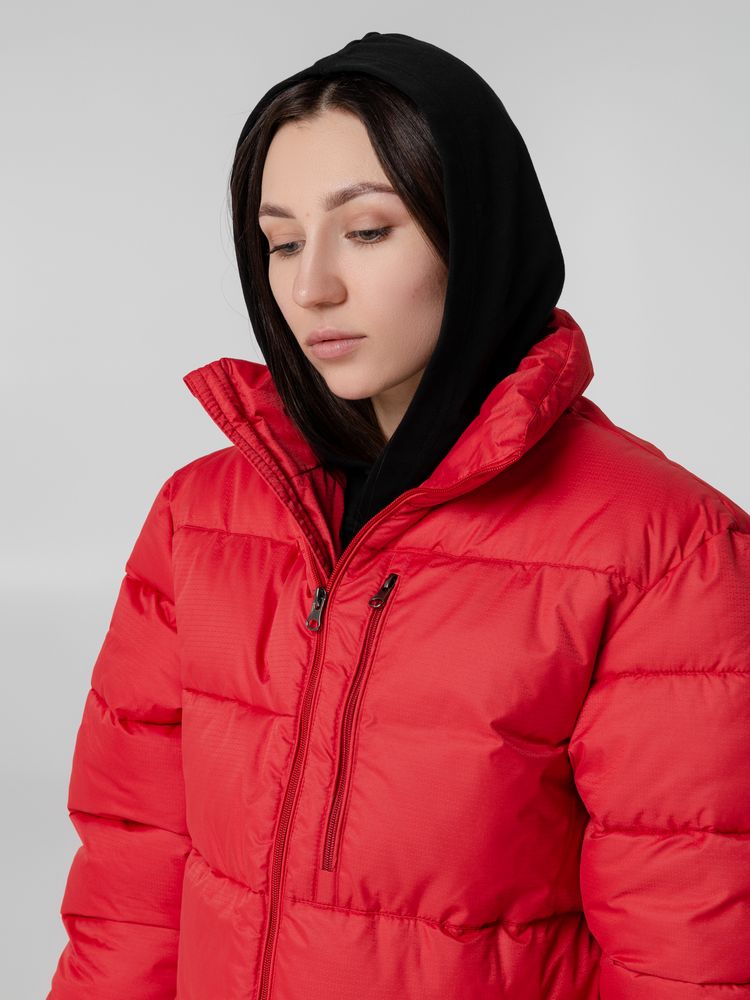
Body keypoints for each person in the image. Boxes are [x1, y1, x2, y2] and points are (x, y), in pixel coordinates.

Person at [46, 30, 750, 1000]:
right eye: (282, 241)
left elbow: (687, 954)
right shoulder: (199, 518)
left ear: (477, 234)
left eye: (368, 230)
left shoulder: (666, 550)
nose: (311, 286)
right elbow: (130, 889)